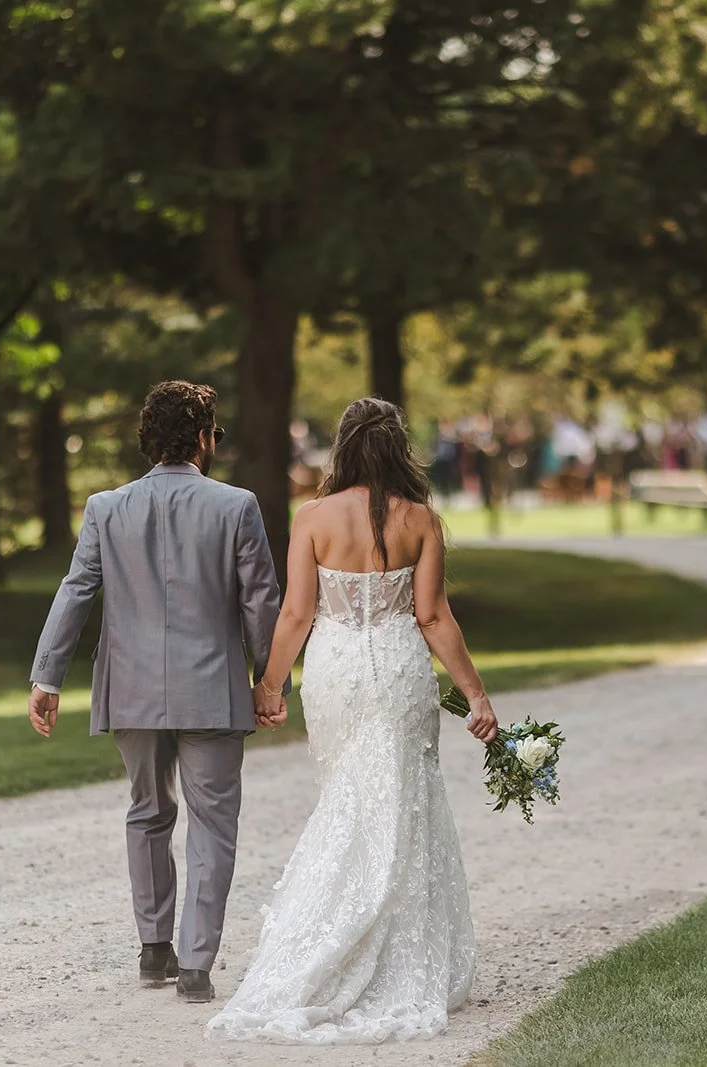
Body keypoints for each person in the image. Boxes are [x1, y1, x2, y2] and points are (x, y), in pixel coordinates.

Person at [208, 396, 499, 1045]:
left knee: (347, 797)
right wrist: (475, 694)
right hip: (398, 668)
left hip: (336, 669)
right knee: (401, 804)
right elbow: (432, 616)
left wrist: (271, 684)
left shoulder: (312, 517)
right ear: (398, 448)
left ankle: (327, 942)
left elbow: (295, 615)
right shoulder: (420, 518)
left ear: (342, 447)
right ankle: (396, 954)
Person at [27, 380, 285, 1005]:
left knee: (146, 810)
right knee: (213, 823)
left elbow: (76, 591)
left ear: (149, 440)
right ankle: (196, 963)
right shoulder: (237, 506)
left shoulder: (105, 508)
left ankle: (153, 948)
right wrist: (269, 679)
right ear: (203, 438)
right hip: (212, 689)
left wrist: (46, 675)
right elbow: (260, 600)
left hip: (133, 686)